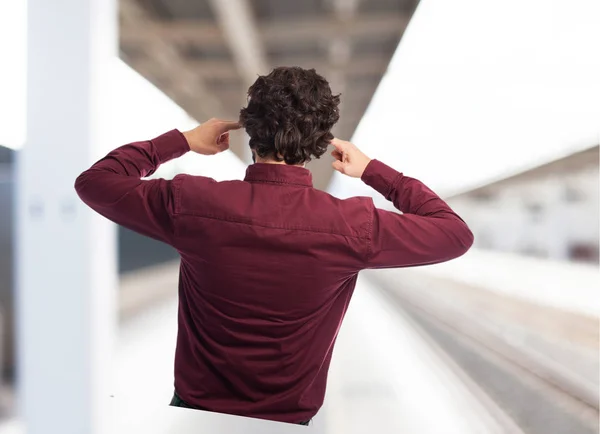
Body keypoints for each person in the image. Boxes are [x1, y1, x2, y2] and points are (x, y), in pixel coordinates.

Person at [75, 66, 474, 426]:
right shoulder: (353, 225)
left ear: (250, 133)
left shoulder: (192, 203)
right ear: (321, 142)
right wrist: (374, 171)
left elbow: (95, 182)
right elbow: (455, 234)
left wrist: (180, 141)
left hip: (194, 419)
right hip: (287, 423)